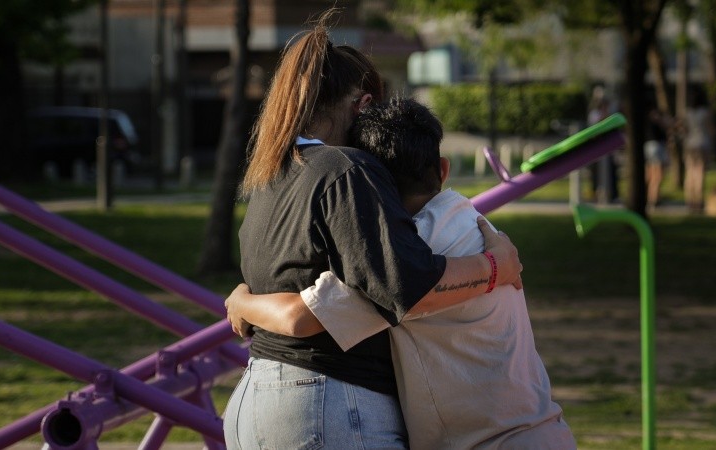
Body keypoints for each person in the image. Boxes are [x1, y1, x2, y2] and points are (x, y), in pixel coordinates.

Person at [222, 11, 524, 450]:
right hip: (326, 401)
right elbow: (407, 286)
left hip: (252, 399)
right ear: (363, 105)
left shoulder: (271, 177)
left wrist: (242, 302)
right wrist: (496, 266)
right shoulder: (348, 168)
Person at [226, 98, 575, 449]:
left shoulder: (403, 256)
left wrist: (241, 302)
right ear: (443, 169)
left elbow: (298, 318)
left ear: (370, 185)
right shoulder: (476, 225)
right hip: (540, 431)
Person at [682, 91, 714, 213]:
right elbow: (710, 129)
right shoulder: (705, 113)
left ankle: (690, 201)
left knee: (690, 173)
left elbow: (684, 130)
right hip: (702, 143)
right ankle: (699, 201)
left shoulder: (687, 113)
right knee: (700, 173)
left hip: (690, 144)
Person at [644, 107, 671, 210]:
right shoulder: (658, 124)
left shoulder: (646, 124)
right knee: (658, 177)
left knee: (651, 177)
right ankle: (654, 199)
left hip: (647, 148)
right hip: (657, 148)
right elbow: (666, 137)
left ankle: (650, 198)